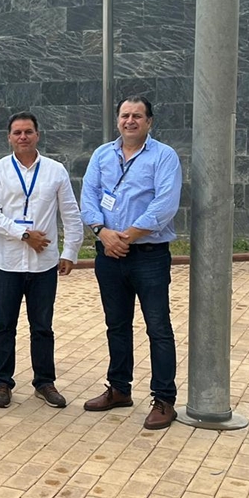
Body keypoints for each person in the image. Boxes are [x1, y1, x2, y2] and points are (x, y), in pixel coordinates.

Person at [80, 96, 183, 430]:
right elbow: (88, 196)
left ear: (149, 121)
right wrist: (102, 232)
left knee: (158, 328)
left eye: (137, 116)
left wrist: (127, 236)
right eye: (125, 115)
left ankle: (164, 399)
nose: (130, 121)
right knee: (117, 325)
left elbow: (165, 204)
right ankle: (119, 389)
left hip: (149, 256)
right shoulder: (102, 155)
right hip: (108, 255)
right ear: (118, 120)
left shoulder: (164, 156)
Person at [0, 112, 81, 409]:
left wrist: (70, 252)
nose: (22, 137)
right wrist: (24, 234)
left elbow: (70, 213)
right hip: (5, 261)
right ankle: (2, 382)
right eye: (17, 132)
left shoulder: (55, 170)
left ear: (37, 135)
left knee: (42, 326)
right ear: (9, 137)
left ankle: (44, 382)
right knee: (4, 324)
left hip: (43, 263)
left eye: (28, 132)